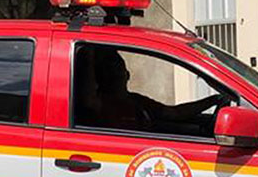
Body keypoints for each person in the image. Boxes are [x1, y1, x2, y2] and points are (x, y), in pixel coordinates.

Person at [75, 45, 231, 135]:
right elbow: (89, 99)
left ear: (128, 74)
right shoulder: (100, 104)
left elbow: (173, 113)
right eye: (109, 70)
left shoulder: (136, 101)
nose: (115, 74)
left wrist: (213, 100)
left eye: (118, 68)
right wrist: (88, 55)